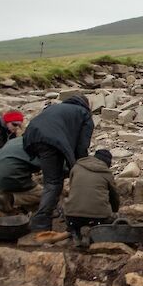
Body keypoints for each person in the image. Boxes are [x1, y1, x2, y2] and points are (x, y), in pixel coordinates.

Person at [22, 95, 93, 232]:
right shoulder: (84, 114)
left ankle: (50, 209)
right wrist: (83, 168)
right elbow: (82, 146)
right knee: (53, 183)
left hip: (31, 136)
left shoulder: (55, 107)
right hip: (52, 141)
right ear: (87, 105)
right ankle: (41, 223)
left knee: (53, 177)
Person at [63, 149, 120, 242]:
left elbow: (72, 188)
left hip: (72, 215)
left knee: (69, 211)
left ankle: (76, 233)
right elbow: (114, 196)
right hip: (98, 217)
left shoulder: (77, 167)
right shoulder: (106, 173)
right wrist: (115, 210)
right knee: (113, 219)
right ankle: (94, 235)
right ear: (107, 163)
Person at [0, 137, 41, 212]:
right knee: (43, 194)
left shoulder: (16, 140)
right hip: (9, 177)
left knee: (17, 185)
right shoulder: (43, 146)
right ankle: (10, 199)